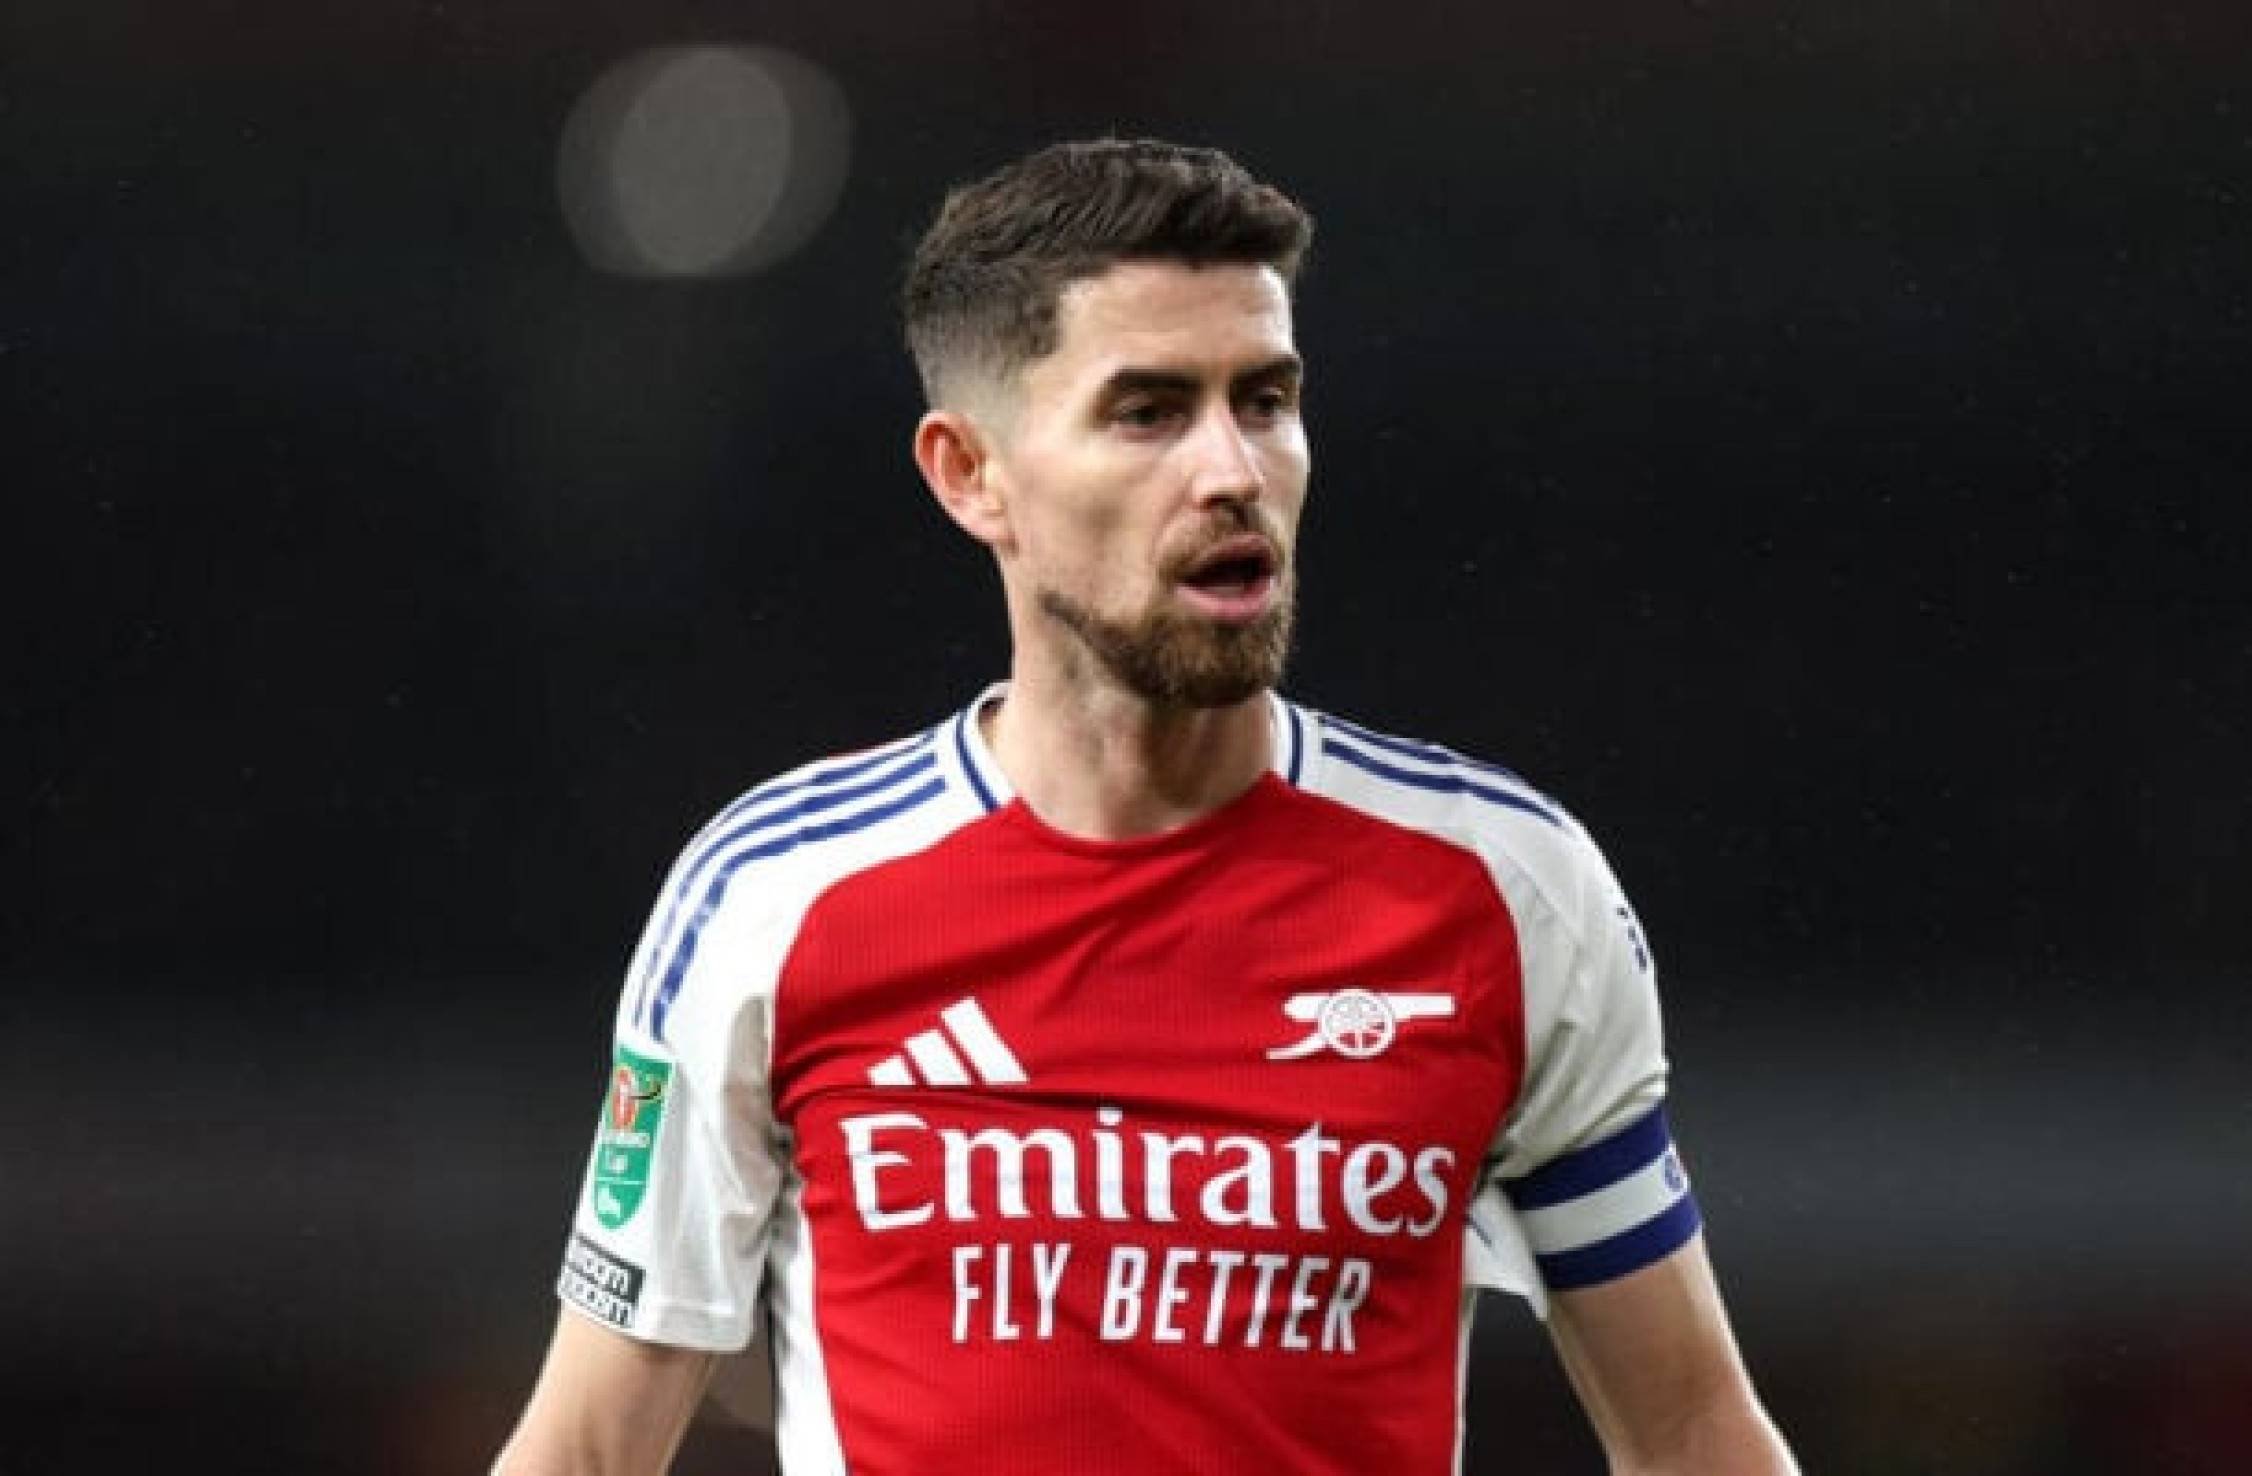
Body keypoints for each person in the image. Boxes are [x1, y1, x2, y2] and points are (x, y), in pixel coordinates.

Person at [494, 137, 1796, 1475]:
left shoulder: (1505, 889)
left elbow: (1692, 1432)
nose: (1233, 470)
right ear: (970, 473)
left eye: (1266, 400)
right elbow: (587, 1447)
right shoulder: (777, 897)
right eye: (1149, 412)